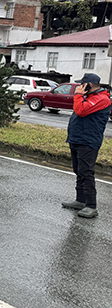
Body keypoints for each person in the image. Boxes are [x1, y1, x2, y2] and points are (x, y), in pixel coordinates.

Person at [63, 73, 111, 218]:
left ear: (89, 85)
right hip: (77, 138)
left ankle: (91, 206)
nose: (79, 87)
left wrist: (78, 95)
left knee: (86, 172)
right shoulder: (88, 98)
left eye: (82, 84)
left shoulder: (102, 99)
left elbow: (81, 111)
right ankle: (80, 200)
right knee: (78, 170)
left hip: (88, 141)